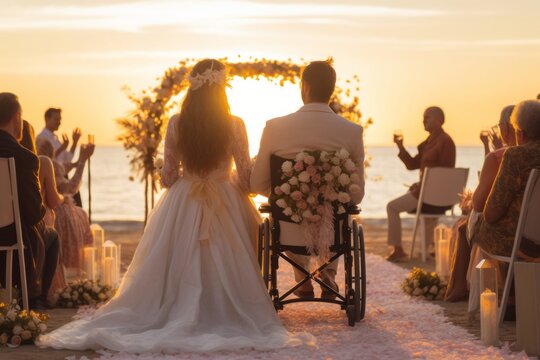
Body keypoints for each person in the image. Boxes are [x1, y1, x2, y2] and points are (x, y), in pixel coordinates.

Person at [38, 59, 311, 352]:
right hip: (226, 201)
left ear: (192, 87)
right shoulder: (235, 125)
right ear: (222, 89)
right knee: (230, 259)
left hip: (183, 201)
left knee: (178, 259)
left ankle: (176, 307)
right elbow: (246, 180)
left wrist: (171, 171)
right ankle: (222, 307)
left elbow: (168, 178)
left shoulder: (177, 123)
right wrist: (232, 175)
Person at [250, 59, 365, 298]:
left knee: (285, 204)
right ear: (331, 89)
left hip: (288, 231)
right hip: (333, 231)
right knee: (335, 209)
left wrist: (294, 192)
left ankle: (302, 279)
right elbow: (356, 194)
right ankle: (329, 275)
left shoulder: (274, 128)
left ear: (305, 87)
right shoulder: (352, 131)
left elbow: (257, 184)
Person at [0, 93, 60, 310]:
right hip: (14, 240)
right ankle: (36, 299)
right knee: (51, 235)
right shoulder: (25, 157)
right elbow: (35, 213)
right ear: (17, 118)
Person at [385, 106, 456, 262]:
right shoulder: (429, 143)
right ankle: (430, 249)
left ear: (439, 120)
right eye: (423, 117)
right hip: (428, 193)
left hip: (432, 195)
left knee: (392, 207)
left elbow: (445, 174)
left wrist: (422, 184)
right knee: (423, 212)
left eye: (427, 117)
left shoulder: (445, 141)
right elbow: (412, 165)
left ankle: (398, 250)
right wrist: (400, 146)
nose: (423, 120)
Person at [474, 100, 540, 260]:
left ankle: (474, 284)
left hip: (520, 243)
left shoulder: (515, 155)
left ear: (520, 133)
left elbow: (491, 213)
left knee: (474, 226)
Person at [36, 139, 94, 275]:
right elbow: (71, 188)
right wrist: (83, 161)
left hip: (38, 213)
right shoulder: (49, 164)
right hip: (55, 211)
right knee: (81, 215)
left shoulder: (35, 163)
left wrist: (77, 158)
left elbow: (65, 166)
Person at [36, 107, 84, 207]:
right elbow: (45, 159)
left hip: (62, 175)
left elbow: (67, 159)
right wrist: (62, 148)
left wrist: (74, 142)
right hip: (53, 179)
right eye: (56, 119)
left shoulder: (55, 138)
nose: (59, 122)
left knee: (77, 204)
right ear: (47, 119)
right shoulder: (42, 138)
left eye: (60, 119)